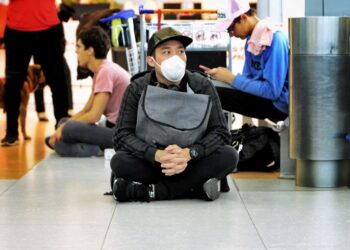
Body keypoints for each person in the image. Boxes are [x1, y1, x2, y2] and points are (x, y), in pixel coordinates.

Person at [110, 27, 238, 202]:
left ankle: (152, 191)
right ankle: (194, 186)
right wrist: (156, 155)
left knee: (229, 155)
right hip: (153, 162)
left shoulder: (202, 86)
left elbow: (221, 133)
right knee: (120, 161)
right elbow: (121, 136)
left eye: (181, 51)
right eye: (166, 52)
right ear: (151, 61)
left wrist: (190, 153)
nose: (175, 57)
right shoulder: (137, 88)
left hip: (192, 160)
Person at [45, 26, 130, 157]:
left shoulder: (105, 72)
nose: (76, 51)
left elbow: (94, 116)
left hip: (123, 135)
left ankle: (96, 149)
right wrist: (62, 127)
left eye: (78, 47)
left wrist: (63, 129)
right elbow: (86, 110)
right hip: (114, 129)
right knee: (63, 122)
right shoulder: (101, 71)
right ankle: (89, 145)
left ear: (90, 50)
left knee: (68, 129)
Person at [200, 0, 289, 123]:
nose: (231, 35)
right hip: (263, 98)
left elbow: (272, 91)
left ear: (243, 17)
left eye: (231, 28)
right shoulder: (252, 40)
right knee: (208, 89)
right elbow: (248, 80)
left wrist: (231, 78)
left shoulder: (275, 39)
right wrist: (222, 77)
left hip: (278, 105)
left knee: (212, 95)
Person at [1, 0, 70, 146]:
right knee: (13, 83)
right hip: (17, 28)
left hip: (49, 27)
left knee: (57, 81)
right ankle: (11, 133)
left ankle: (63, 129)